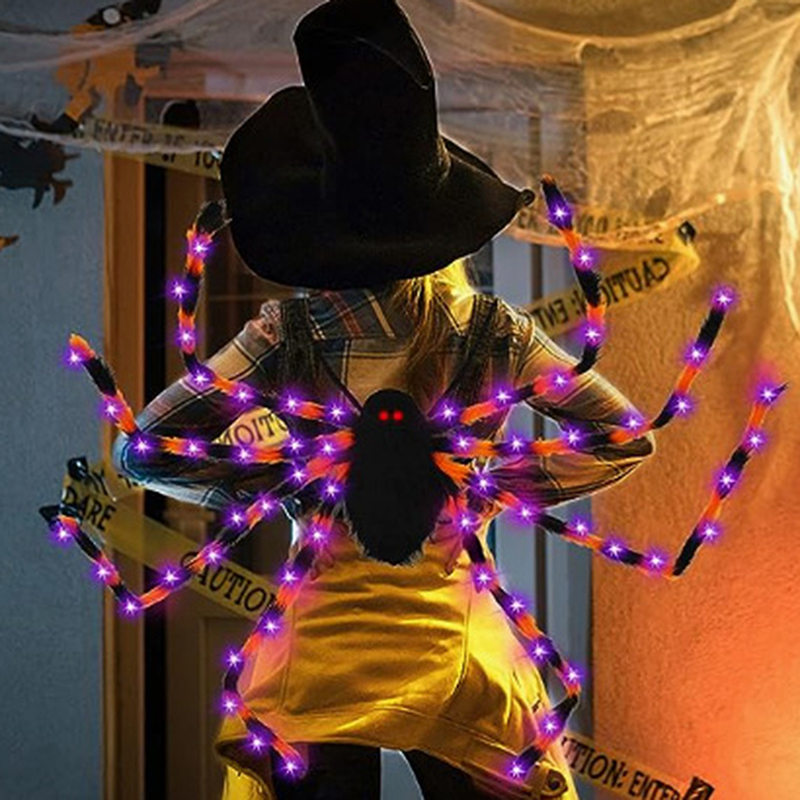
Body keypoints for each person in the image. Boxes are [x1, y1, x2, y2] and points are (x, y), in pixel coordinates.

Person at [113, 1, 654, 797]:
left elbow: (142, 449)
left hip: (316, 661)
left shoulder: (286, 334)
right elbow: (625, 436)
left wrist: (271, 472)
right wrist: (489, 481)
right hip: (460, 657)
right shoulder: (492, 331)